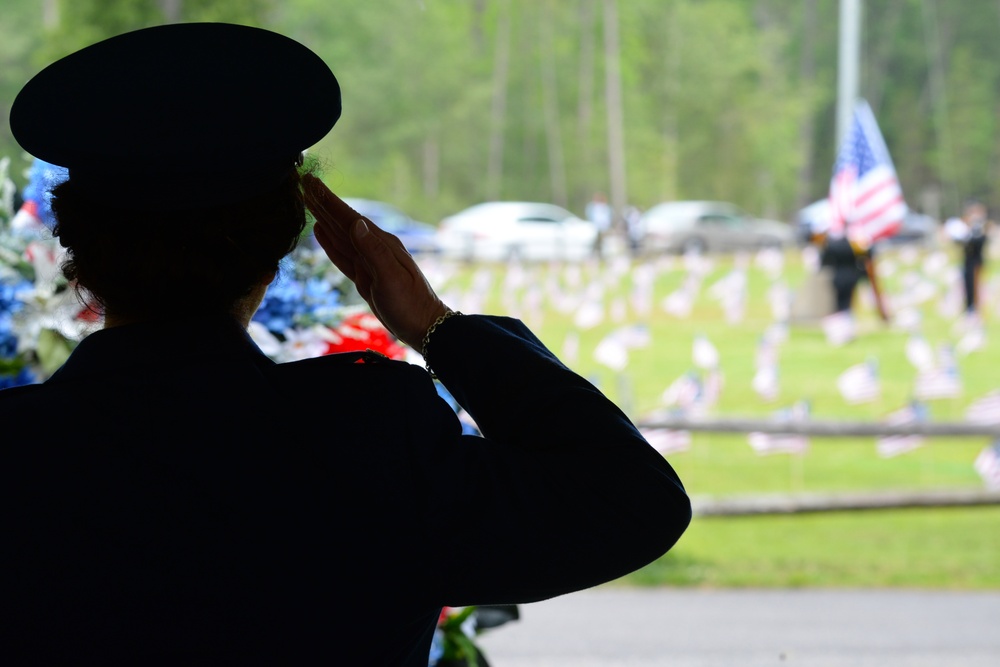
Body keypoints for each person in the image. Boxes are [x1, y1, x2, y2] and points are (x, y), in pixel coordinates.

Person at [1, 23, 690, 665]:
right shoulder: (371, 437)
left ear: (75, 259)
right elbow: (631, 502)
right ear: (279, 251)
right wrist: (433, 324)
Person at [945, 198, 991, 319]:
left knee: (976, 286)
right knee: (967, 285)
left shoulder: (981, 227)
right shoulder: (966, 227)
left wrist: (969, 236)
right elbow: (960, 243)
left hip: (976, 262)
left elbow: (979, 241)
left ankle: (976, 309)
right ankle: (969, 307)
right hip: (967, 261)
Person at [585, 191, 612, 258]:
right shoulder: (592, 207)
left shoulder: (605, 208)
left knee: (601, 243)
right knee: (595, 243)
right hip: (595, 228)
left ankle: (600, 256)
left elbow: (607, 218)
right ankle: (593, 255)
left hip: (602, 228)